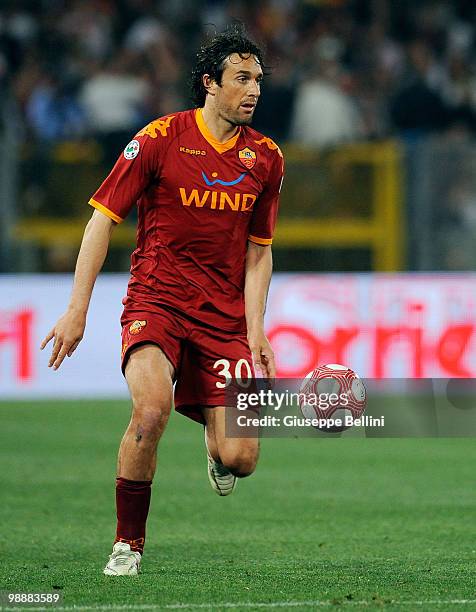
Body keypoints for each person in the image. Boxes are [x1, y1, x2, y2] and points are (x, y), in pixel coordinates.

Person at [41, 24, 284, 576]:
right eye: (242, 78)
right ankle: (128, 545)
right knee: (151, 411)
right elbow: (100, 222)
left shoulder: (266, 158)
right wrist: (77, 309)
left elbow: (259, 253)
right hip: (158, 301)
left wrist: (256, 330)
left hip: (223, 317)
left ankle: (215, 440)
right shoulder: (158, 139)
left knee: (240, 459)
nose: (254, 90)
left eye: (259, 80)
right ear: (209, 83)